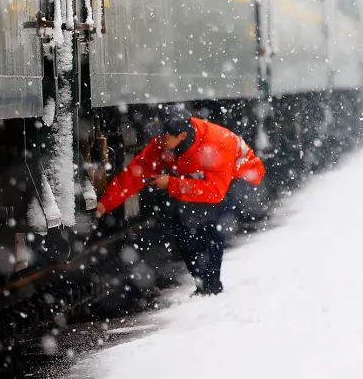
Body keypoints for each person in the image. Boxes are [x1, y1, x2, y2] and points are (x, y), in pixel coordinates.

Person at [95, 106, 265, 295]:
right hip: (204, 181)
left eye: (165, 136)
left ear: (182, 135)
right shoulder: (164, 142)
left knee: (209, 227)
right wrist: (105, 203)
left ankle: (211, 287)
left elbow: (216, 192)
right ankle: (203, 283)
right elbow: (137, 173)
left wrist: (171, 183)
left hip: (238, 180)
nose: (159, 140)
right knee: (182, 228)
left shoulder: (216, 144)